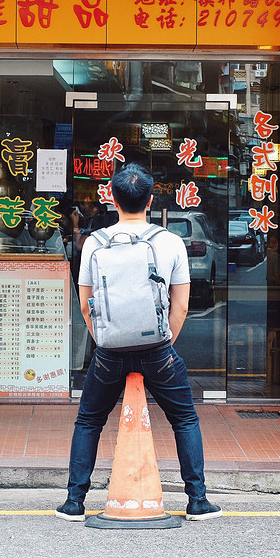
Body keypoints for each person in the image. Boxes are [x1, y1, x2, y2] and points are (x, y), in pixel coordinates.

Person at [55, 163, 222, 522]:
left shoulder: (94, 243)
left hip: (109, 352)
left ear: (112, 199)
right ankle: (198, 500)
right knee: (185, 419)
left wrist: (106, 339)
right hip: (158, 350)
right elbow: (180, 306)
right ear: (150, 199)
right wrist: (162, 344)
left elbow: (86, 305)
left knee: (88, 422)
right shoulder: (170, 242)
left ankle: (74, 503)